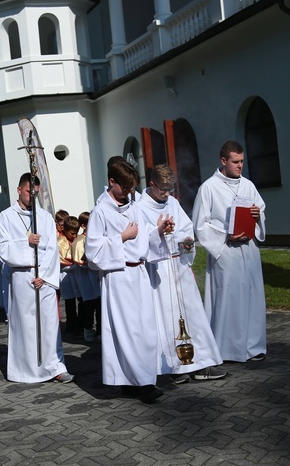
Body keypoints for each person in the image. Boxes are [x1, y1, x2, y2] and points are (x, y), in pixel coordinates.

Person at [85, 160, 172, 403]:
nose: (129, 192)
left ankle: (130, 381)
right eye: (124, 187)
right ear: (111, 182)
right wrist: (121, 237)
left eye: (132, 188)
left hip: (139, 274)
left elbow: (144, 235)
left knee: (145, 329)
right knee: (129, 331)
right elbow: (92, 252)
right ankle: (144, 383)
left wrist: (159, 231)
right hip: (119, 276)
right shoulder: (100, 211)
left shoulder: (133, 207)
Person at [138, 164, 226, 383]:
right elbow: (141, 240)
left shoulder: (173, 203)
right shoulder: (140, 208)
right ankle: (173, 368)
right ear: (151, 184)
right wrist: (159, 232)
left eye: (170, 189)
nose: (167, 194)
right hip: (159, 272)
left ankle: (202, 363)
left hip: (179, 267)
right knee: (166, 317)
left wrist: (185, 240)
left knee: (193, 315)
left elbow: (186, 229)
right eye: (163, 189)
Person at [191, 141, 267, 363]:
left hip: (249, 249)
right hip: (226, 251)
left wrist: (256, 215)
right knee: (229, 298)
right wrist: (225, 235)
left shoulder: (248, 185)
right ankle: (228, 349)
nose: (240, 166)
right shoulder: (208, 188)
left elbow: (260, 211)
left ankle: (254, 346)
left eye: (242, 161)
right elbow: (200, 225)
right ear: (223, 161)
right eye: (236, 161)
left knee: (252, 297)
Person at [0, 173, 73, 384]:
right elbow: (1, 246)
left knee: (49, 324)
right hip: (21, 276)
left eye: (36, 193)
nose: (32, 196)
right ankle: (24, 370)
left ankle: (56, 367)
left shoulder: (45, 217)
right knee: (25, 325)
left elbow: (51, 249)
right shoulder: (6, 216)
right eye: (29, 192)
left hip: (43, 278)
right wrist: (25, 241)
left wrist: (44, 276)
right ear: (19, 190)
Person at [70, 212, 100, 342]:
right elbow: (77, 261)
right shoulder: (79, 241)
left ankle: (100, 331)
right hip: (85, 277)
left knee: (100, 305)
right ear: (84, 225)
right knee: (89, 305)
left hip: (97, 276)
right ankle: (87, 328)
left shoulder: (96, 237)